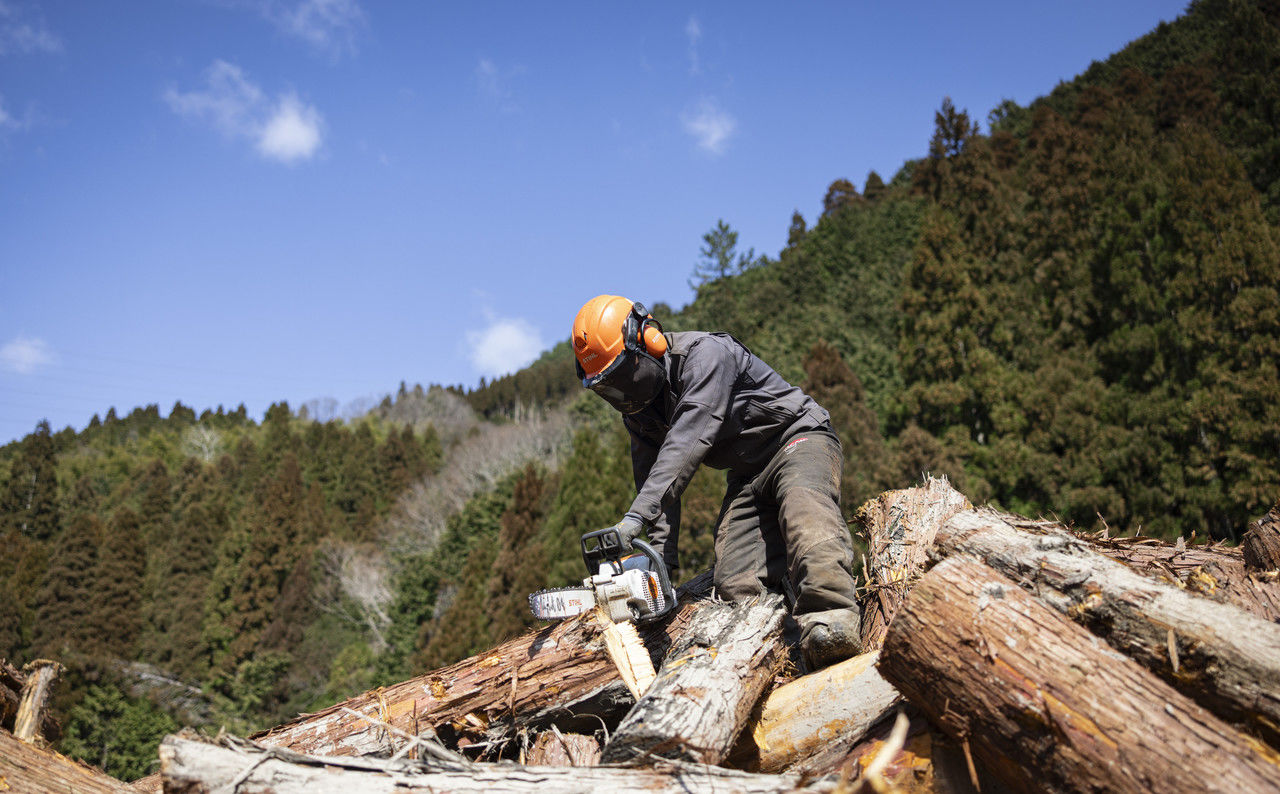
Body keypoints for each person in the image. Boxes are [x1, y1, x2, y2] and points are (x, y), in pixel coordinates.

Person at [571, 294, 862, 669]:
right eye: (608, 388)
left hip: (798, 438)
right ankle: (785, 656)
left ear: (649, 340)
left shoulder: (706, 356)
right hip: (746, 474)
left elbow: (686, 443)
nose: (621, 393)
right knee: (735, 578)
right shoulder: (640, 412)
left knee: (806, 516)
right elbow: (654, 483)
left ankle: (832, 622)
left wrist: (633, 519)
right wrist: (656, 565)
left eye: (624, 377)